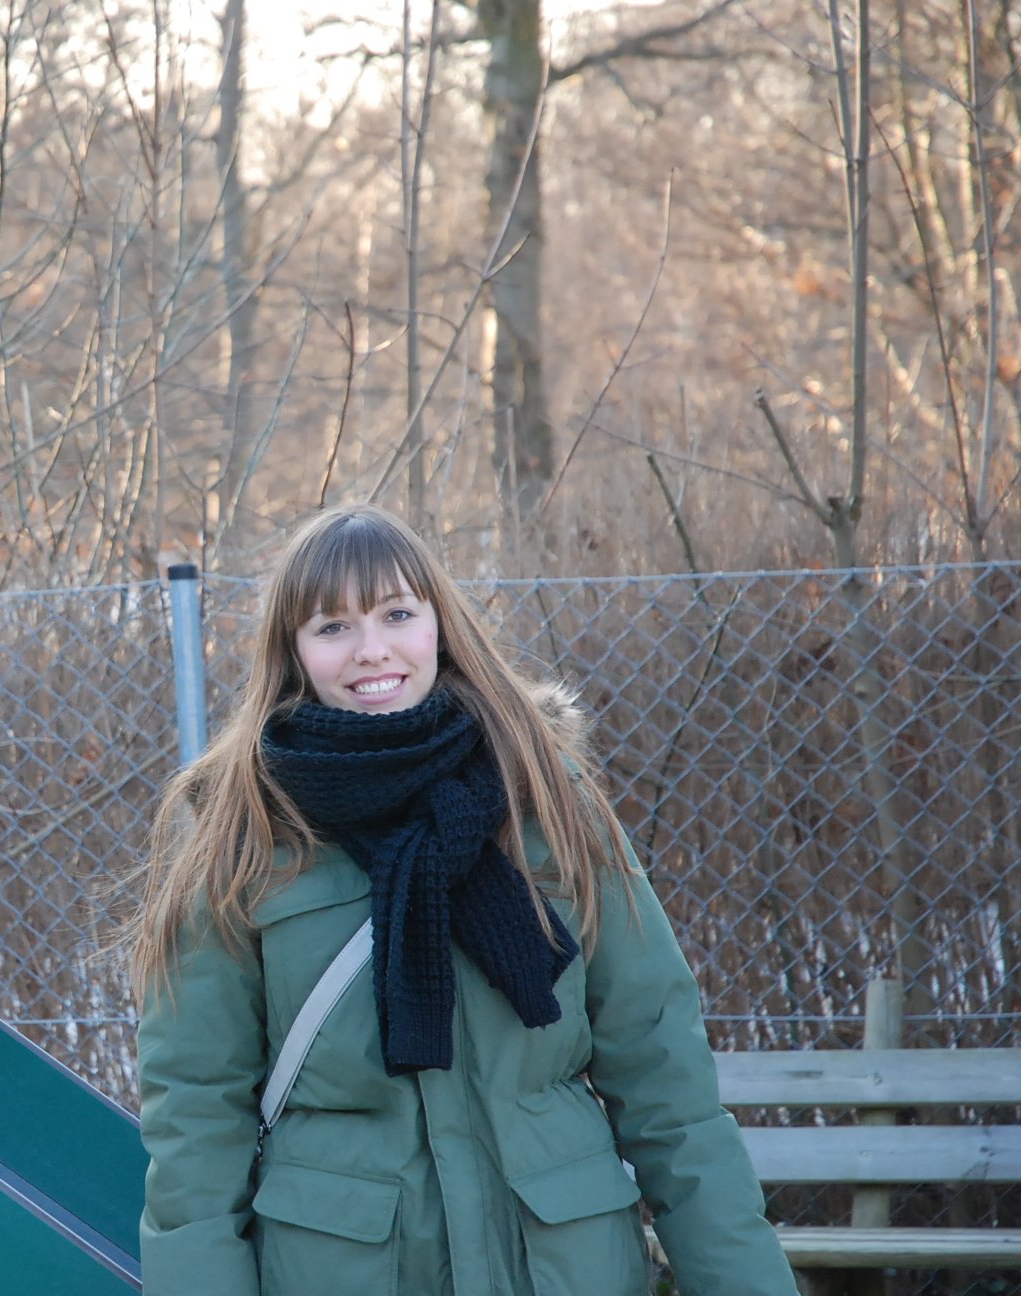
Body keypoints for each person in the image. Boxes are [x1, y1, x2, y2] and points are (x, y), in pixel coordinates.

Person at [124, 504, 795, 1296]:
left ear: (439, 624)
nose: (372, 650)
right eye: (332, 627)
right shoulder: (239, 825)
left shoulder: (543, 791)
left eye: (398, 614)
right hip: (346, 1267)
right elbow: (197, 1117)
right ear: (294, 652)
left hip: (562, 1264)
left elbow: (663, 1076)